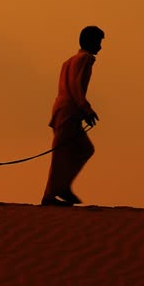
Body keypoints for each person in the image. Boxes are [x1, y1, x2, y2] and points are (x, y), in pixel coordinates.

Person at [41, 26, 103, 206]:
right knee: (60, 154)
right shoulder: (85, 59)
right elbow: (75, 86)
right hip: (69, 111)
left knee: (85, 149)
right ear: (91, 41)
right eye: (98, 42)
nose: (100, 46)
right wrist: (86, 109)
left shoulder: (69, 61)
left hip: (65, 110)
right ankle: (50, 195)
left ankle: (62, 187)